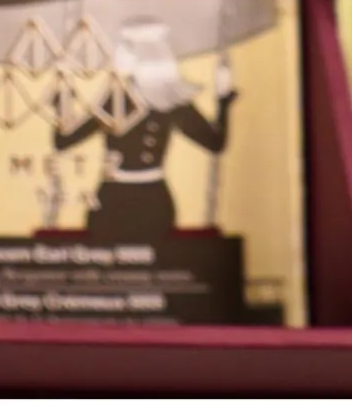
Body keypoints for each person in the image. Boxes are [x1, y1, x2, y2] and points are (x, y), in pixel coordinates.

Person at [51, 19, 234, 240]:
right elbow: (63, 142)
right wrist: (62, 108)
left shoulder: (159, 102)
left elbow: (215, 143)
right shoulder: (130, 100)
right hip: (122, 202)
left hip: (140, 202)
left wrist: (223, 102)